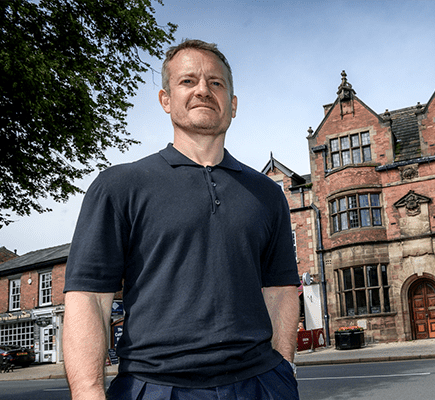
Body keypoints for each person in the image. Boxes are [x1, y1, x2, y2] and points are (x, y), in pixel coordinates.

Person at [63, 39, 301, 400]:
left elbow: (281, 291)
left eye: (216, 83)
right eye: (188, 81)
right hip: (155, 387)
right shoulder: (120, 186)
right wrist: (88, 393)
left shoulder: (267, 193)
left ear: (232, 105)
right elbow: (89, 300)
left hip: (260, 384)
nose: (203, 90)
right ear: (166, 100)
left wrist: (284, 372)